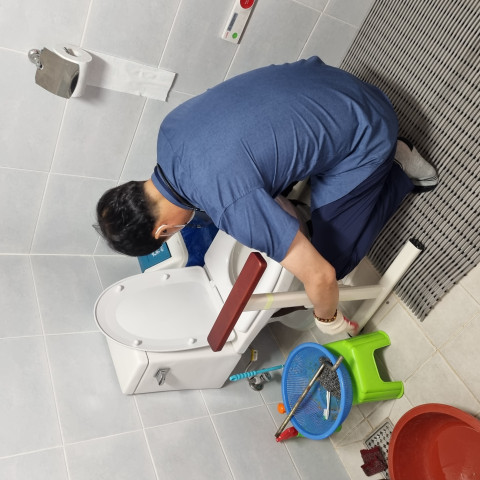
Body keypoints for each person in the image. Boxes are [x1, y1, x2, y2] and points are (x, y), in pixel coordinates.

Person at [95, 56, 438, 335]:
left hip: (370, 122)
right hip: (328, 81)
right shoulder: (168, 129)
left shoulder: (230, 205)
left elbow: (321, 276)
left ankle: (398, 166)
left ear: (163, 231)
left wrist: (328, 319)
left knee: (333, 260)